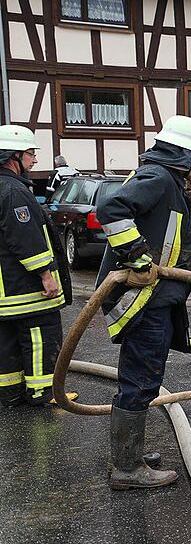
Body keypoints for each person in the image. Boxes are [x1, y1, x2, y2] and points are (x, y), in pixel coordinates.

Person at [95, 115, 191, 490]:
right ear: (187, 153)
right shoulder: (159, 179)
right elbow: (111, 209)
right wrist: (137, 256)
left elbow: (186, 247)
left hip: (156, 298)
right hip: (144, 299)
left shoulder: (167, 182)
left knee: (142, 379)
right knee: (141, 380)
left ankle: (128, 454)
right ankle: (127, 469)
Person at [0, 125, 75, 408]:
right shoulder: (13, 191)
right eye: (31, 154)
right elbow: (25, 238)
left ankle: (10, 394)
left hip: (5, 292)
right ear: (13, 156)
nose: (34, 161)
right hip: (25, 290)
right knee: (39, 337)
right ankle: (43, 393)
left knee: (7, 342)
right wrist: (45, 275)